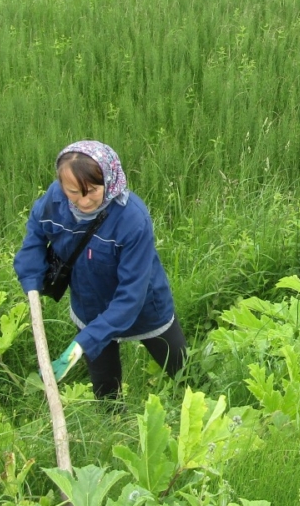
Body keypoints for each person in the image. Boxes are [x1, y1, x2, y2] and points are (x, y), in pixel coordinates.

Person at [13, 140, 186, 399]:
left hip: (143, 308)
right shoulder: (55, 198)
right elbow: (37, 231)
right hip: (90, 304)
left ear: (110, 179)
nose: (83, 201)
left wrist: (88, 338)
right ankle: (113, 420)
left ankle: (202, 405)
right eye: (73, 192)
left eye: (92, 190)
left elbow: (132, 294)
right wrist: (30, 276)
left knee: (182, 370)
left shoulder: (132, 219)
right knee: (105, 388)